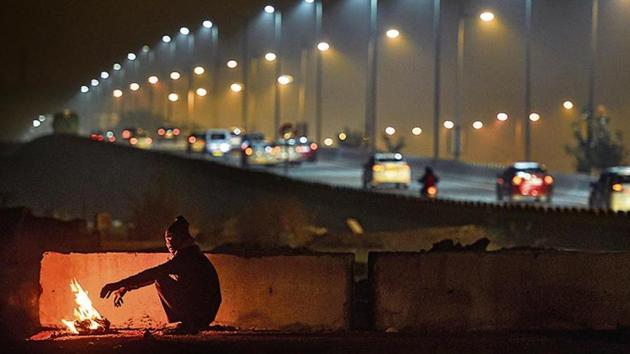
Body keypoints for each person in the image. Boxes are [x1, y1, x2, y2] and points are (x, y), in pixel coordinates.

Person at [100, 216, 221, 334]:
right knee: (160, 278)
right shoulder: (187, 254)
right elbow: (155, 275)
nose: (167, 243)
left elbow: (154, 274)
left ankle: (189, 324)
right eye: (166, 239)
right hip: (204, 311)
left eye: (170, 238)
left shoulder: (187, 257)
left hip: (202, 312)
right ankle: (190, 322)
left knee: (160, 278)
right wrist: (126, 287)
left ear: (181, 238)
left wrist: (118, 284)